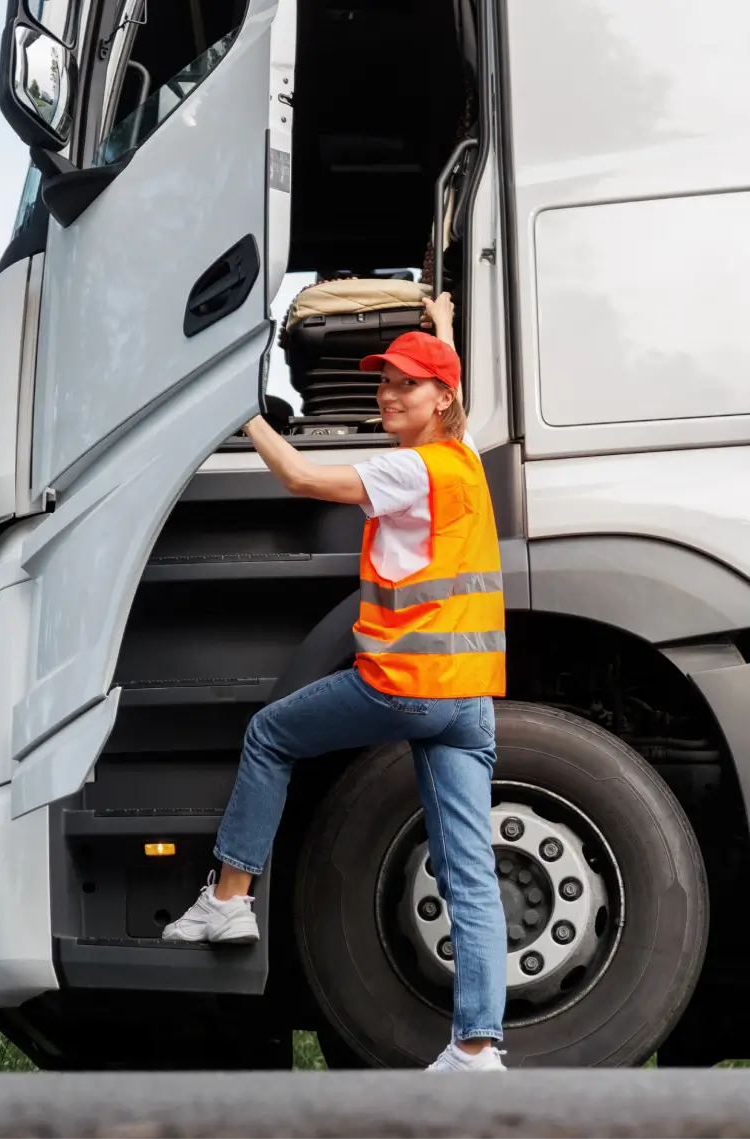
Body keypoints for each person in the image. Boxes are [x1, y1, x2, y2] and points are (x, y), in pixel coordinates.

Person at [163, 292, 508, 1073]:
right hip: (466, 699)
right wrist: (442, 328)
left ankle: (226, 901)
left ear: (440, 399)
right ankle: (478, 1048)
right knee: (468, 870)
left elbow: (296, 476)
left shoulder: (410, 469)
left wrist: (234, 408)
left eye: (405, 386)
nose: (387, 395)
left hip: (405, 683)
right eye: (384, 382)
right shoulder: (465, 456)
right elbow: (459, 394)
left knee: (270, 733)